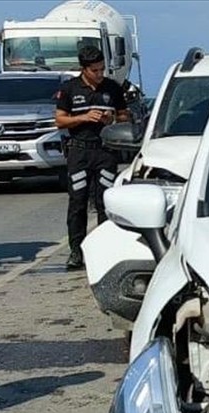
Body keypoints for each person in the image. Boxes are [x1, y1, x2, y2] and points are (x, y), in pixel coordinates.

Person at [54, 45, 128, 270]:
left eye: (102, 69)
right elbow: (60, 120)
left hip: (105, 151)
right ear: (84, 69)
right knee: (78, 203)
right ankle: (76, 251)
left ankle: (105, 251)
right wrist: (84, 117)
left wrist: (111, 118)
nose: (99, 74)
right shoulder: (69, 89)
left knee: (105, 202)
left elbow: (125, 116)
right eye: (94, 70)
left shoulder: (112, 88)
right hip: (79, 151)